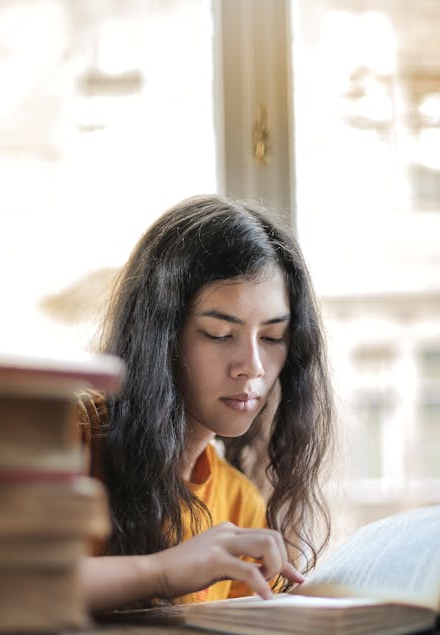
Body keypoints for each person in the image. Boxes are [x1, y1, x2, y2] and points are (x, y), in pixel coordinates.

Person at [77, 194, 333, 612]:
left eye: (272, 338)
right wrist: (161, 571)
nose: (252, 367)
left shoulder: (239, 504)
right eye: (218, 333)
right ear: (160, 336)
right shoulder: (73, 433)